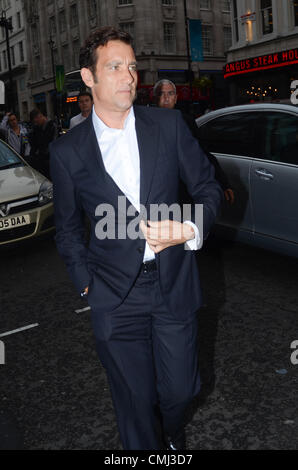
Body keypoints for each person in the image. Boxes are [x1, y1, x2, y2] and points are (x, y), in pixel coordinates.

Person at [50, 26, 223, 450]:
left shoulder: (168, 125)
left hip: (172, 285)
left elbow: (208, 189)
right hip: (113, 295)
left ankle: (173, 430)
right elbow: (68, 227)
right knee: (134, 402)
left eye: (131, 67)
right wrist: (85, 282)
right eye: (114, 67)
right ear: (88, 77)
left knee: (180, 391)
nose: (129, 76)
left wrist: (190, 227)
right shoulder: (67, 151)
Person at [154, 79, 235, 204]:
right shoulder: (146, 123)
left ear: (176, 98)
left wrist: (222, 182)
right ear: (155, 98)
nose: (166, 98)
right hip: (157, 193)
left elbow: (202, 153)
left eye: (170, 94)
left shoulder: (186, 122)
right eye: (161, 94)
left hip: (183, 191)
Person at [29, 109, 58, 179]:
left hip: (51, 160)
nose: (36, 123)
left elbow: (54, 143)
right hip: (41, 161)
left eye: (36, 121)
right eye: (34, 122)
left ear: (40, 116)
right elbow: (34, 145)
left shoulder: (52, 126)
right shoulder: (36, 128)